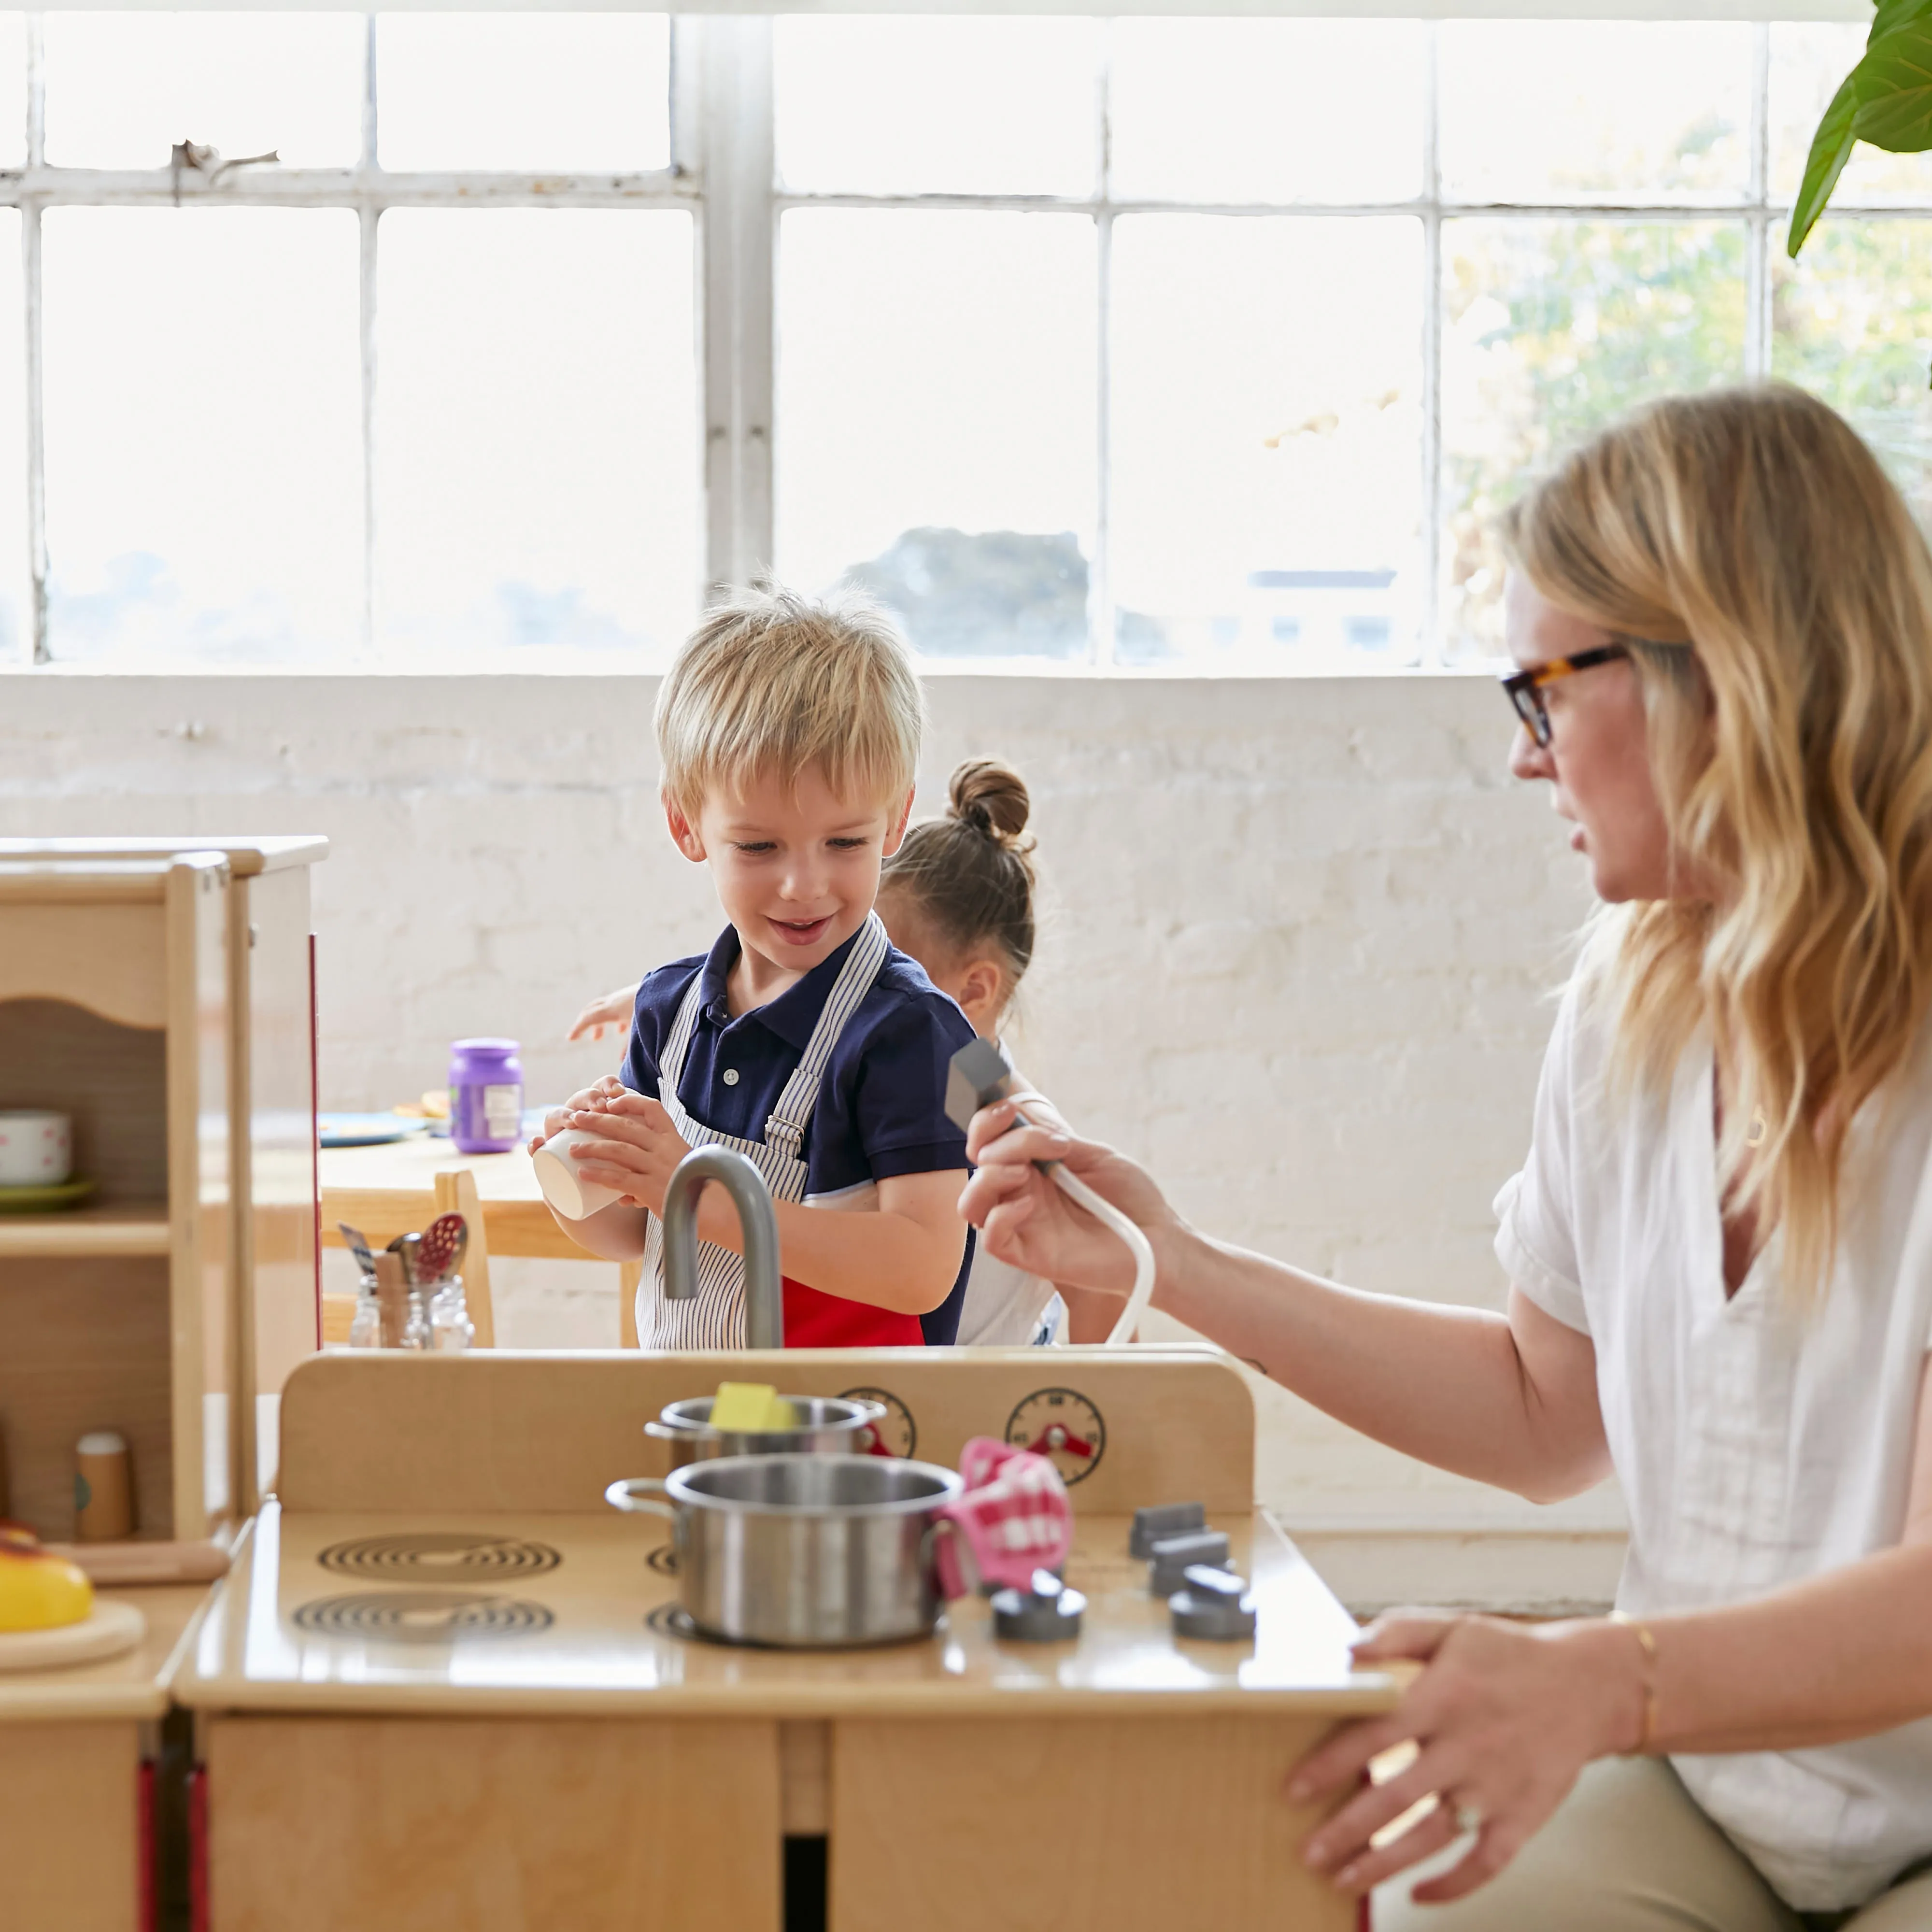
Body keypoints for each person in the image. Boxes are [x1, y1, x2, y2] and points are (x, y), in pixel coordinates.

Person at [958, 386, 1932, 1928]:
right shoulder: (1637, 996)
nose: (1522, 758)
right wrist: (1175, 1262)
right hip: (1714, 1779)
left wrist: (1592, 1682)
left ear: (1720, 674)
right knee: (1365, 1896)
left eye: (1540, 690)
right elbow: (1548, 1415)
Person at [532, 583, 977, 1348]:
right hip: (698, 1417)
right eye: (759, 847)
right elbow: (638, 1242)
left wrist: (694, 1190)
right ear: (686, 824)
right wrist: (594, 1182)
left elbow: (923, 1266)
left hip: (843, 1440)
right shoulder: (668, 1014)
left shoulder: (916, 1033)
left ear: (896, 821)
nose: (804, 885)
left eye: (844, 843)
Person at [873, 755, 1102, 1345]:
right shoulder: (892, 1074)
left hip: (977, 1415)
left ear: (973, 989)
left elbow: (1101, 1296)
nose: (848, 991)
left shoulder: (995, 1105)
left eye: (883, 974)